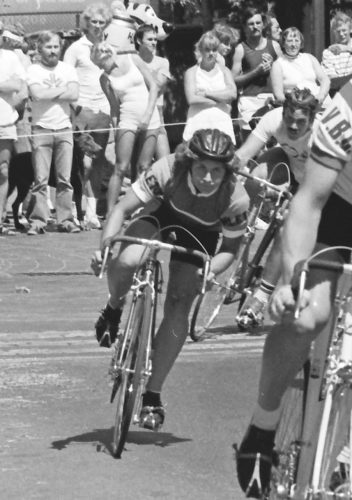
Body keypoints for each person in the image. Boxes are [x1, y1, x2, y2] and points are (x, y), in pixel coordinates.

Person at [236, 80, 352, 497]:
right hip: (340, 208)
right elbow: (308, 204)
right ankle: (263, 427)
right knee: (305, 317)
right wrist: (292, 278)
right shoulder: (344, 116)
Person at [91, 128, 249, 429]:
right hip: (160, 214)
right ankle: (113, 308)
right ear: (189, 162)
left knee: (179, 303)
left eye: (216, 171)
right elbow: (123, 208)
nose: (207, 177)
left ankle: (153, 394)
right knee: (128, 260)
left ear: (226, 171)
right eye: (201, 167)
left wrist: (210, 271)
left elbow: (230, 249)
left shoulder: (235, 197)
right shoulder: (167, 168)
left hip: (201, 234)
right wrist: (105, 248)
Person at [233, 87, 319, 329]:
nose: (292, 127)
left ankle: (259, 298)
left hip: (319, 184)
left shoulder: (320, 138)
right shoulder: (273, 120)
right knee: (255, 175)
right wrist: (225, 172)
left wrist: (292, 201)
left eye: (300, 122)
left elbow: (315, 187)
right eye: (289, 119)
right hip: (290, 166)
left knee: (288, 226)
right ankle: (250, 227)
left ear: (311, 120)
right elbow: (243, 154)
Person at [91, 40, 160, 213]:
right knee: (121, 166)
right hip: (127, 118)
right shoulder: (104, 78)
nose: (102, 67)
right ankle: (111, 212)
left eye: (103, 63)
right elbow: (114, 107)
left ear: (110, 55)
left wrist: (148, 115)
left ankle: (141, 209)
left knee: (144, 166)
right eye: (99, 65)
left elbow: (153, 86)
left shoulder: (133, 59)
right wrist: (116, 130)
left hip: (150, 116)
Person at [26, 31, 80, 235]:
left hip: (64, 128)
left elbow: (74, 94)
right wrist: (61, 92)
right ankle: (38, 220)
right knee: (40, 179)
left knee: (65, 179)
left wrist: (51, 94)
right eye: (49, 47)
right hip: (41, 129)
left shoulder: (68, 69)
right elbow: (37, 95)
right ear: (40, 49)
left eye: (56, 47)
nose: (53, 51)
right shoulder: (33, 70)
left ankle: (65, 219)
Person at [64, 3, 112, 229]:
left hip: (103, 109)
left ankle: (92, 214)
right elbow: (65, 76)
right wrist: (75, 107)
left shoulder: (110, 47)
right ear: (87, 23)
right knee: (82, 164)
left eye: (102, 22)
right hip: (81, 110)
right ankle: (76, 210)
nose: (98, 26)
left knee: (98, 161)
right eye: (94, 22)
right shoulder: (76, 48)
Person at [231, 5, 281, 135]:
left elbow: (286, 73)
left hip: (271, 100)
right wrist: (256, 72)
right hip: (249, 101)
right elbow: (233, 81)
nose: (255, 26)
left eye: (258, 23)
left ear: (263, 25)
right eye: (251, 24)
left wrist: (274, 65)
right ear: (245, 27)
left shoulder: (274, 46)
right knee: (250, 146)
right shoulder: (240, 49)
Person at [183, 31, 237, 144]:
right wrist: (221, 99)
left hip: (222, 124)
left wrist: (207, 94)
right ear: (200, 51)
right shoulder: (191, 72)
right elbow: (192, 99)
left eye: (214, 50)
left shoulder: (225, 71)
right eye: (207, 50)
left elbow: (232, 94)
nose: (211, 53)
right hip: (197, 123)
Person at [0, 21, 27, 235]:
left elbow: (17, 86)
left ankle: (0, 219)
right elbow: (8, 85)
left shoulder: (10, 58)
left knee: (3, 170)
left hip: (5, 122)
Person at [135, 23, 171, 159]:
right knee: (137, 167)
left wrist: (141, 75)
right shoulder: (132, 60)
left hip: (157, 114)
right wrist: (152, 75)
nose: (154, 43)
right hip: (135, 115)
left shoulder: (163, 62)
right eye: (150, 39)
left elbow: (158, 84)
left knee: (165, 162)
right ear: (139, 41)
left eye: (155, 39)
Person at [270, 27, 331, 107]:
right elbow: (278, 95)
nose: (293, 44)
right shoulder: (278, 64)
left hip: (318, 101)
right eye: (289, 41)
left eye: (297, 41)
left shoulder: (309, 58)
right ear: (283, 44)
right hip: (295, 106)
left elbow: (325, 80)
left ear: (301, 43)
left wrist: (321, 95)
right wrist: (294, 105)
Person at [321, 11, 352, 96]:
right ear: (334, 32)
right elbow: (332, 81)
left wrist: (347, 49)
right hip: (339, 95)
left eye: (344, 30)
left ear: (350, 29)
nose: (341, 34)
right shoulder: (328, 53)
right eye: (338, 31)